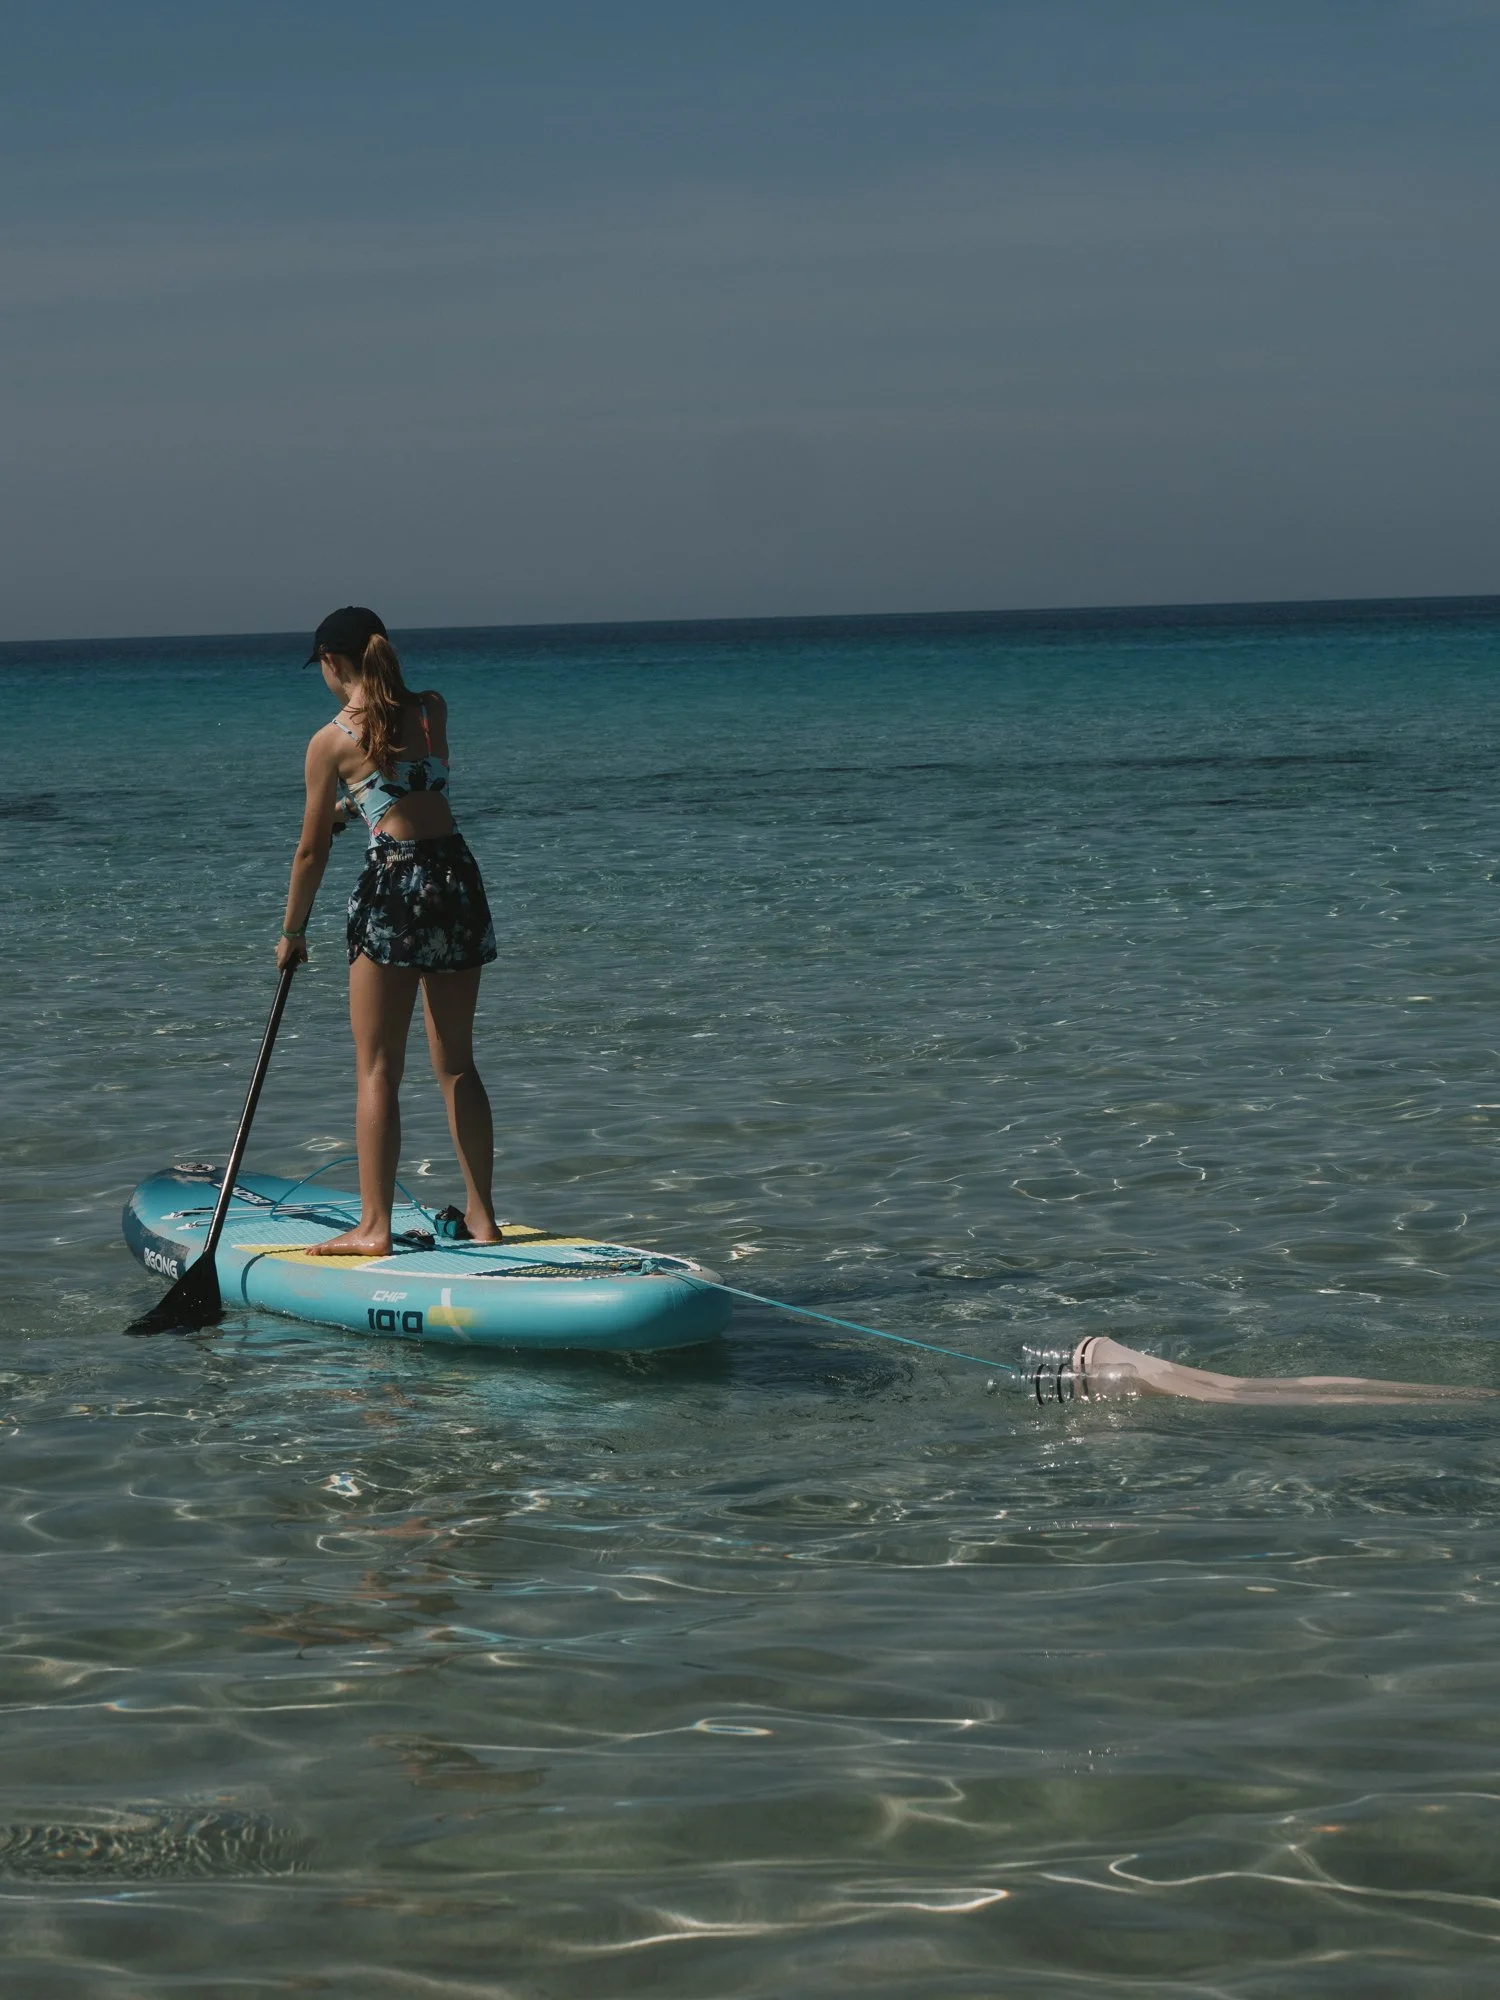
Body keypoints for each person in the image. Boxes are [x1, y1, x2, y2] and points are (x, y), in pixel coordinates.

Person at [275, 606, 500, 1255]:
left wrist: (292, 932)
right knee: (457, 1064)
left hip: (395, 890)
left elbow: (310, 852)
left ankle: (373, 1228)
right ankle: (484, 1220)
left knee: (378, 1067)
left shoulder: (331, 741)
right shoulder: (432, 709)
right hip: (456, 879)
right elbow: (412, 782)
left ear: (332, 663)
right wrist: (361, 806)